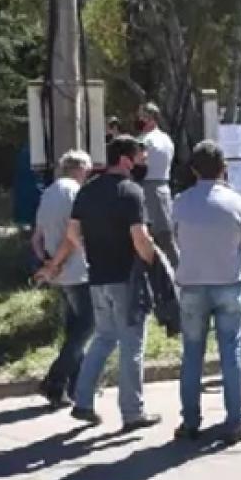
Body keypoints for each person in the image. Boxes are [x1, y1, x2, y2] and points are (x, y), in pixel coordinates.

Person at [67, 136, 161, 430]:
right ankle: (133, 413)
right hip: (126, 278)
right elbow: (140, 238)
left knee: (104, 338)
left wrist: (91, 253)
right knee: (132, 344)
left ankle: (82, 401)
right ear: (125, 159)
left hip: (97, 278)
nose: (143, 162)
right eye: (140, 157)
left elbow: (72, 234)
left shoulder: (87, 191)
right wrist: (154, 264)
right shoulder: (130, 191)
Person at [170, 141, 241, 443]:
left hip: (192, 284)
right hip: (229, 283)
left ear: (194, 169)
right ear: (224, 168)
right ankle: (236, 421)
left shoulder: (180, 202)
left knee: (192, 354)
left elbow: (174, 240)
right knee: (231, 354)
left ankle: (190, 421)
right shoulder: (237, 203)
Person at [32, 151, 94, 409]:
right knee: (88, 326)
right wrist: (56, 263)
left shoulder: (48, 193)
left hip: (58, 274)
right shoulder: (76, 194)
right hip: (77, 270)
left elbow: (36, 237)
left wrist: (47, 264)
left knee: (74, 330)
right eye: (88, 170)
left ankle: (74, 389)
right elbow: (72, 237)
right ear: (81, 169)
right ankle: (55, 381)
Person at [136, 103, 178, 266]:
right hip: (163, 187)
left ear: (151, 118)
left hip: (148, 187)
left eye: (142, 116)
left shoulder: (146, 140)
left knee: (159, 235)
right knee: (165, 235)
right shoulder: (166, 139)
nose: (139, 120)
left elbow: (140, 164)